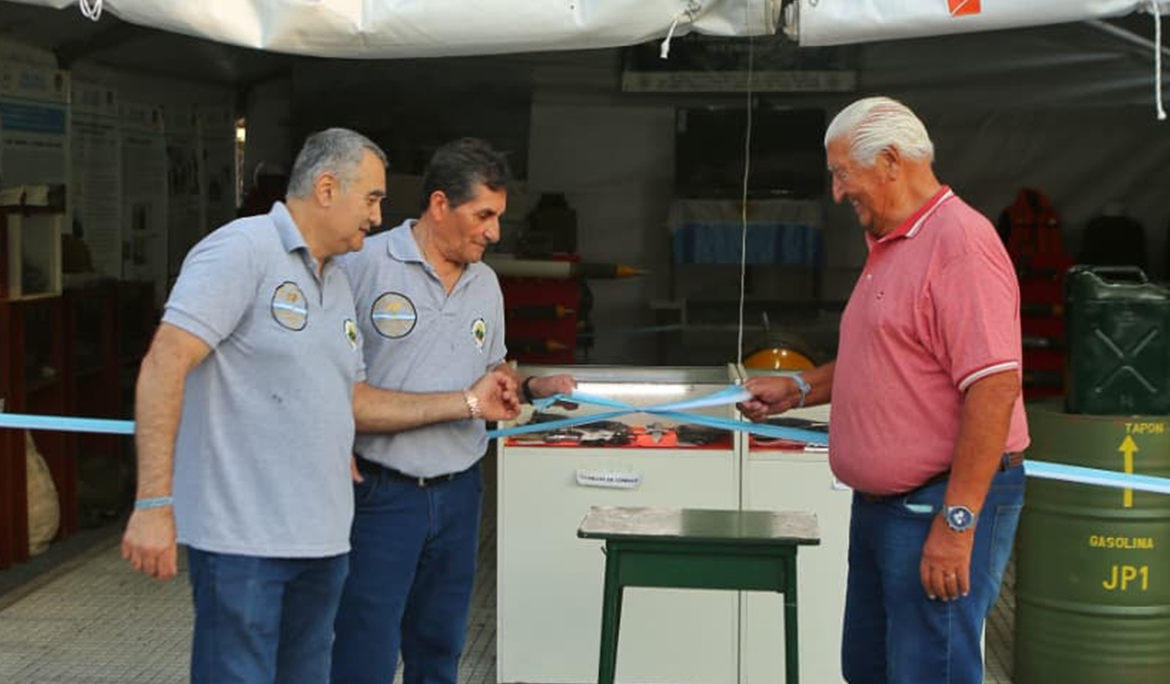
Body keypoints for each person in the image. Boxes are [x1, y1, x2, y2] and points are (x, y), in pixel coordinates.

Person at [121, 128, 520, 684]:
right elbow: (164, 364)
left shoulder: (332, 281)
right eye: (373, 199)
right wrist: (154, 502)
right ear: (328, 188)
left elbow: (348, 397)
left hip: (322, 537)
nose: (378, 217)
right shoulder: (242, 250)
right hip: (244, 540)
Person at [740, 97, 1029, 684]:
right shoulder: (897, 243)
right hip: (885, 509)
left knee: (930, 671)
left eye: (843, 173)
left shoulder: (961, 246)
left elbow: (994, 390)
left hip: (936, 504)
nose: (838, 193)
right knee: (870, 668)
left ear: (891, 161)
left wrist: (955, 525)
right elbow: (889, 359)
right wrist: (800, 388)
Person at [331, 138, 576, 684]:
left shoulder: (485, 283)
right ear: (440, 205)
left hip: (460, 492)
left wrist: (530, 386)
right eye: (483, 215)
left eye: (498, 217)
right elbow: (329, 386)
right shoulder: (363, 264)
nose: (494, 232)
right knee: (362, 653)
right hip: (381, 494)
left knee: (439, 651)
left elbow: (492, 378)